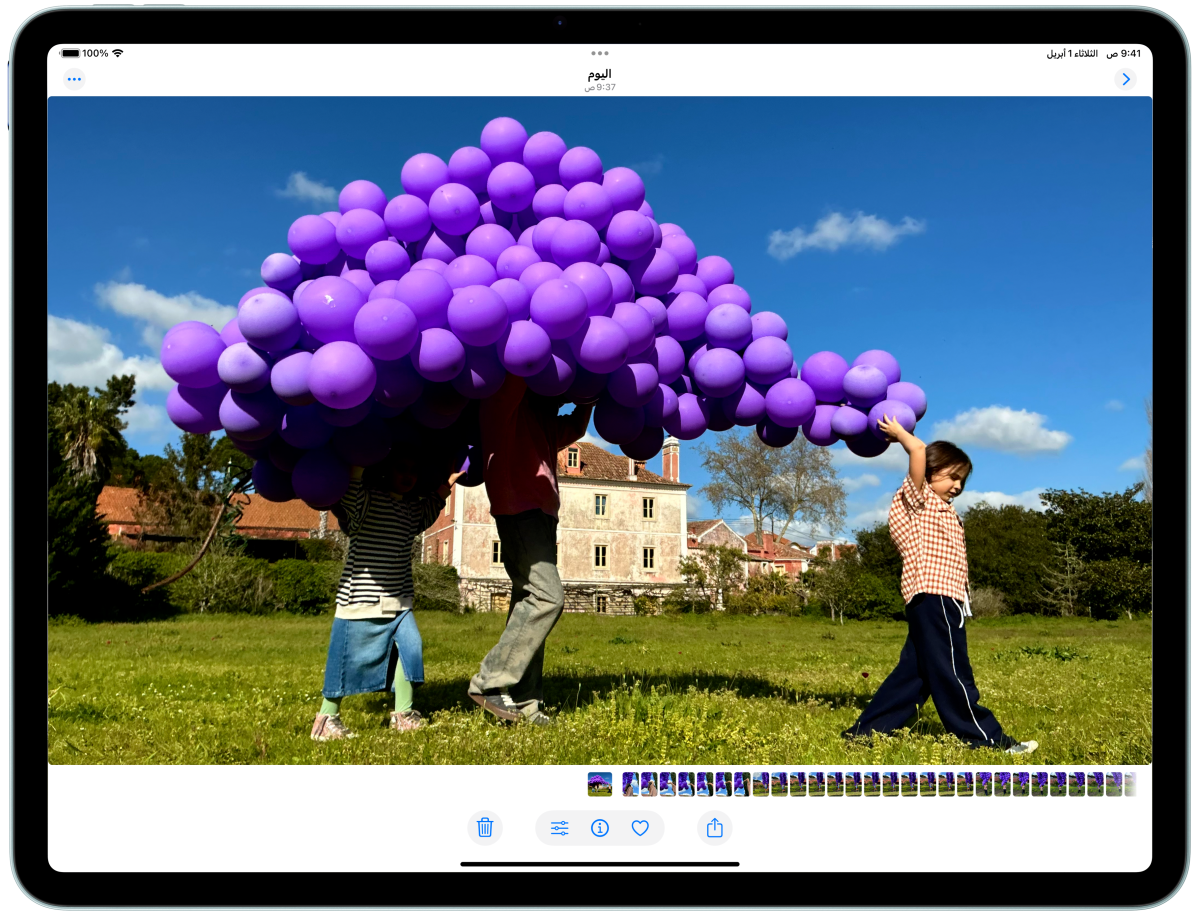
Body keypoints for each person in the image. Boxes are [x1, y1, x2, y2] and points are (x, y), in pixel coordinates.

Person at [840, 417, 1038, 755]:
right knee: (952, 670)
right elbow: (917, 449)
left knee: (915, 675)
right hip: (935, 597)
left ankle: (865, 734)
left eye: (963, 480)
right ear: (930, 472)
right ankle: (986, 739)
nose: (958, 486)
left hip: (940, 599)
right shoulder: (917, 501)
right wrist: (899, 433)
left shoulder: (944, 510)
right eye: (952, 476)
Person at [466, 373, 595, 726]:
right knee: (547, 597)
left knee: (528, 604)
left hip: (543, 515)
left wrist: (592, 391)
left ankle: (525, 702)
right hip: (518, 511)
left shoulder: (544, 420)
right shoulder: (503, 405)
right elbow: (518, 368)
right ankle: (488, 682)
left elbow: (576, 426)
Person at [310, 452, 462, 741]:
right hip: (360, 600)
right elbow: (352, 496)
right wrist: (359, 457)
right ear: (384, 471)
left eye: (413, 470)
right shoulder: (366, 501)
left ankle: (403, 714)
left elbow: (429, 510)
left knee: (411, 649)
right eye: (401, 467)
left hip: (400, 601)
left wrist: (446, 485)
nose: (408, 475)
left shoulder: (411, 509)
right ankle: (326, 719)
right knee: (345, 659)